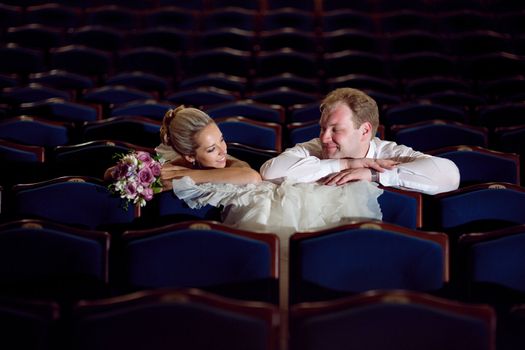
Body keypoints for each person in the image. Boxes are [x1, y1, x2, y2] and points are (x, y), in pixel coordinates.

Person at [260, 87, 460, 195]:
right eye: (322, 128)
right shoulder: (312, 148)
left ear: (364, 131)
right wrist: (345, 164)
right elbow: (270, 172)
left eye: (335, 130)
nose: (324, 137)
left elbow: (450, 175)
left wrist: (373, 175)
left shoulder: (389, 154)